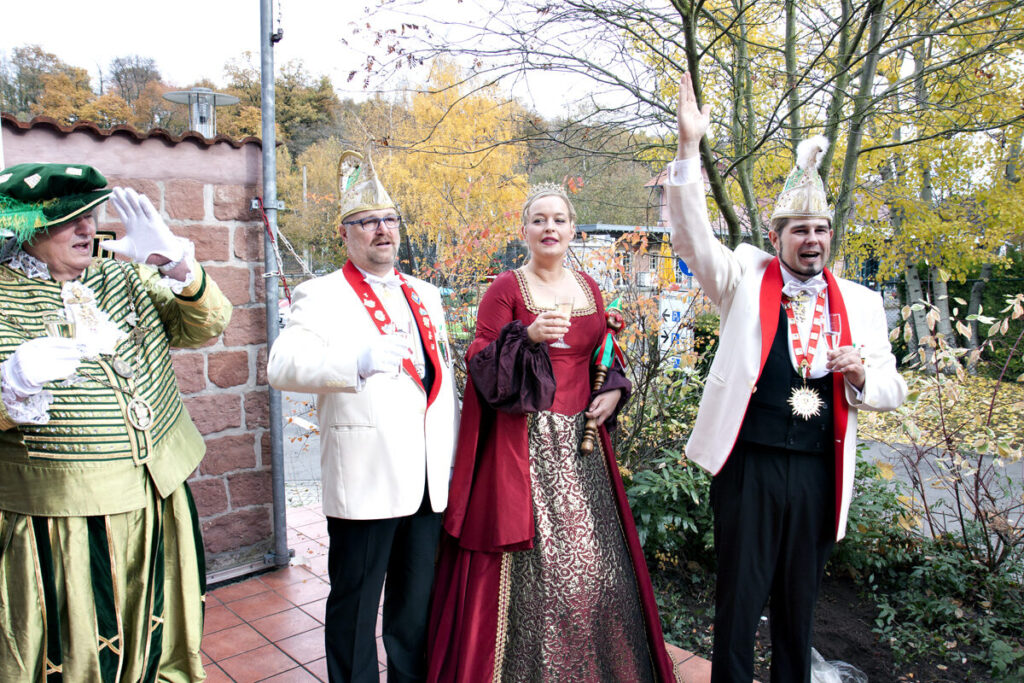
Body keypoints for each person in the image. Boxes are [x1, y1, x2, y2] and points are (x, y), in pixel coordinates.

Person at [665, 72, 908, 682]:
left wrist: (861, 376)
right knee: (739, 601)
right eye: (800, 230)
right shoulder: (743, 278)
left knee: (800, 608)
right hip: (750, 465)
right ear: (776, 238)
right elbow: (692, 239)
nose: (812, 240)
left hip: (820, 472)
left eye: (821, 230)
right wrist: (689, 147)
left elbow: (892, 389)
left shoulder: (863, 303)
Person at [427, 183, 677, 682]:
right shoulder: (506, 288)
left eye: (559, 220)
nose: (549, 228)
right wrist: (527, 336)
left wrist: (615, 391)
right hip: (521, 449)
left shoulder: (589, 287)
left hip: (583, 452)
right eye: (539, 220)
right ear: (524, 230)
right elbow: (480, 361)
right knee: (535, 569)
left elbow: (603, 353)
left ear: (572, 229)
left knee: (593, 566)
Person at [0, 162, 232, 682]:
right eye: (68, 219)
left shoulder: (122, 273)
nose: (87, 228)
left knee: (160, 637)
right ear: (26, 227)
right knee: (78, 650)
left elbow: (207, 325)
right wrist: (9, 383)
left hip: (159, 491)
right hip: (64, 517)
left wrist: (176, 265)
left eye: (90, 215)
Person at [267, 151, 459, 683]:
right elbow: (281, 365)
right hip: (366, 477)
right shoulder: (322, 294)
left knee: (414, 608)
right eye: (368, 221)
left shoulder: (426, 294)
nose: (382, 230)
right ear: (345, 233)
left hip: (427, 482)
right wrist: (354, 361)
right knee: (355, 606)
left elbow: (439, 381)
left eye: (389, 219)